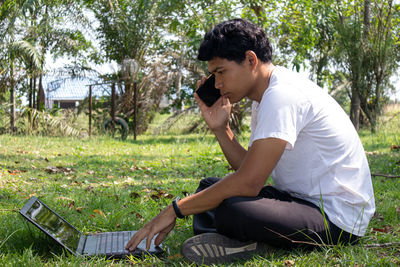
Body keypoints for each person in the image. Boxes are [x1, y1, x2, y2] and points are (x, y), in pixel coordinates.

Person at [126, 18, 375, 265]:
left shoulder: (282, 95)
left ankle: (256, 244)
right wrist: (222, 129)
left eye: (221, 72)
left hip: (336, 219)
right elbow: (249, 168)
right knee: (208, 187)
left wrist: (175, 209)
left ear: (250, 60)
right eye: (214, 75)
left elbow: (249, 183)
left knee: (232, 208)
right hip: (298, 201)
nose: (218, 84)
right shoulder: (264, 97)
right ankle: (249, 240)